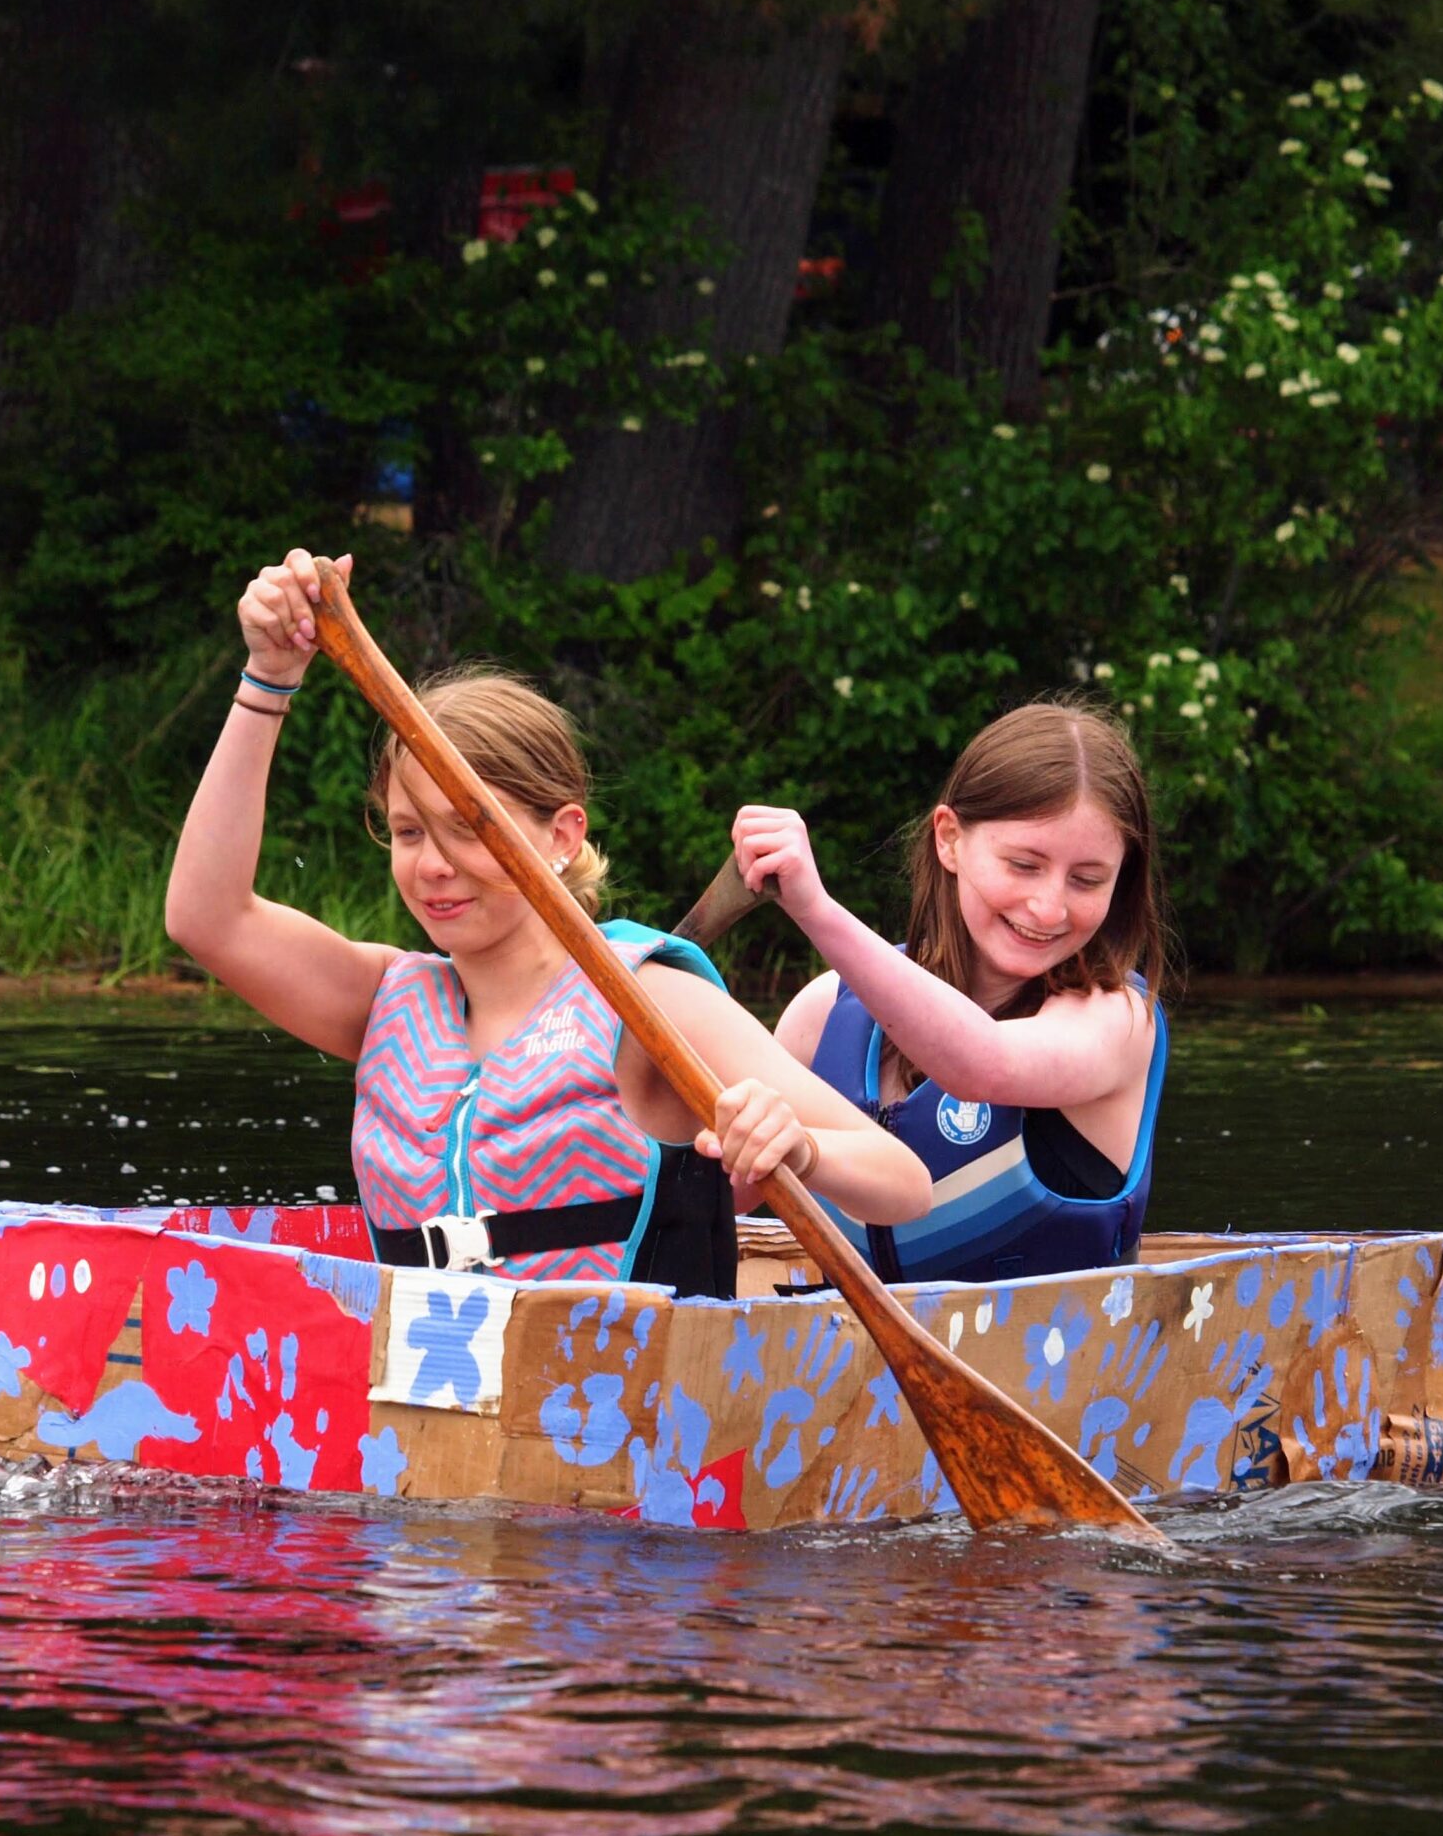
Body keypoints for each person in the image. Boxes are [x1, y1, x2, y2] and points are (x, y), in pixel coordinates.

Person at [165, 551, 931, 1295]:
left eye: (469, 828)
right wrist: (267, 680)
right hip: (416, 1413)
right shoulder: (382, 1002)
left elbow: (903, 1181)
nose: (433, 865)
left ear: (562, 835)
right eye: (407, 833)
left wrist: (799, 1150)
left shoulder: (649, 1002)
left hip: (619, 1408)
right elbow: (206, 918)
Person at [730, 699, 1171, 1286]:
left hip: (1052, 1371)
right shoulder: (823, 1013)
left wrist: (814, 910)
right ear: (950, 840)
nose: (1048, 906)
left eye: (1087, 880)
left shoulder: (1117, 1020)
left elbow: (985, 1062)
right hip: (840, 1366)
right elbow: (722, 1194)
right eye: (1023, 864)